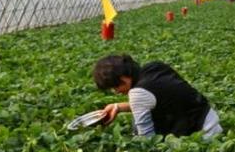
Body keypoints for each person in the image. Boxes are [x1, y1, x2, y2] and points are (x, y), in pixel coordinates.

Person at [93, 55, 222, 139]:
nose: (116, 92)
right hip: (209, 119)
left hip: (202, 135)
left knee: (137, 127)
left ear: (123, 79)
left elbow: (147, 138)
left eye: (115, 87)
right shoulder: (155, 67)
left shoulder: (138, 93)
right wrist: (118, 107)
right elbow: (160, 100)